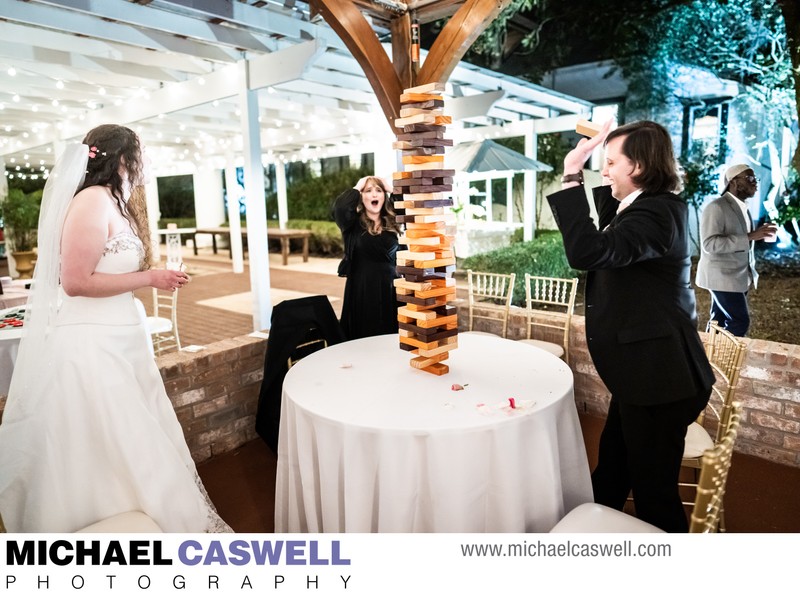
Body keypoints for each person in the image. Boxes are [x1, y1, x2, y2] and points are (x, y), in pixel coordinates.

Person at [0, 124, 230, 532]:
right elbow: (74, 281)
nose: (144, 160)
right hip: (92, 345)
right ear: (122, 158)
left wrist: (153, 277)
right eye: (139, 151)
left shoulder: (114, 201)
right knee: (115, 437)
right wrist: (150, 279)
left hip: (121, 337)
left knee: (130, 433)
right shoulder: (90, 202)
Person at [547, 120, 715, 532]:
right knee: (612, 471)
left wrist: (573, 175)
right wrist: (586, 160)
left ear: (637, 166)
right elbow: (608, 212)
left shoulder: (657, 214)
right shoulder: (640, 206)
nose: (604, 171)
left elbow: (589, 250)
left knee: (653, 495)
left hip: (661, 379)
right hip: (642, 374)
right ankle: (590, 537)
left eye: (611, 163)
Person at [695, 164, 777, 336]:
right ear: (734, 182)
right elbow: (709, 244)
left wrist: (758, 235)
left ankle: (708, 359)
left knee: (718, 320)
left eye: (756, 179)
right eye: (750, 179)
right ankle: (727, 360)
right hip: (722, 275)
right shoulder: (716, 207)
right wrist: (749, 236)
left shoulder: (743, 208)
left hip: (738, 275)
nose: (755, 183)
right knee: (739, 320)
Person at [332, 176, 401, 340]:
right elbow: (339, 208)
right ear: (361, 197)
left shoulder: (392, 222)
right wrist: (358, 186)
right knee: (364, 337)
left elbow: (409, 205)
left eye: (379, 191)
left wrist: (389, 187)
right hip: (362, 290)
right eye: (368, 191)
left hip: (390, 290)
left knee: (390, 338)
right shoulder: (351, 224)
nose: (374, 195)